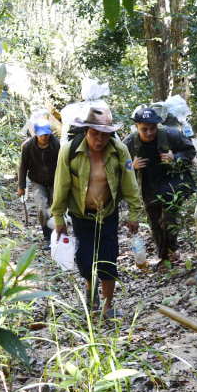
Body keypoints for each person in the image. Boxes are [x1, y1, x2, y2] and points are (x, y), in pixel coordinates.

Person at [51, 107, 143, 318]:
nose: (100, 140)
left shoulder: (119, 151)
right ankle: (91, 293)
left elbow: (130, 184)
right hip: (81, 216)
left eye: (104, 135)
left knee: (108, 259)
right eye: (95, 134)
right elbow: (61, 186)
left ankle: (108, 305)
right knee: (85, 259)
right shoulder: (69, 151)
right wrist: (58, 218)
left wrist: (134, 214)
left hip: (108, 215)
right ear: (86, 132)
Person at [123, 107, 196, 264]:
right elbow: (119, 167)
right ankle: (163, 256)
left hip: (172, 186)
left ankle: (173, 251)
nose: (149, 133)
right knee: (155, 224)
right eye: (144, 129)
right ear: (136, 127)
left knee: (169, 220)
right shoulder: (129, 143)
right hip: (149, 187)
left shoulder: (171, 134)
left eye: (152, 128)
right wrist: (132, 166)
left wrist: (175, 157)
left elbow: (190, 151)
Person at [17, 118, 60, 248]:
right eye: (41, 134)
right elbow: (23, 166)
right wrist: (21, 187)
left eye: (46, 134)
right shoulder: (28, 146)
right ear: (35, 132)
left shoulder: (56, 144)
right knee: (41, 208)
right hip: (37, 181)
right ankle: (47, 235)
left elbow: (62, 165)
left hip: (54, 181)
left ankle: (56, 235)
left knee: (56, 208)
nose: (44, 137)